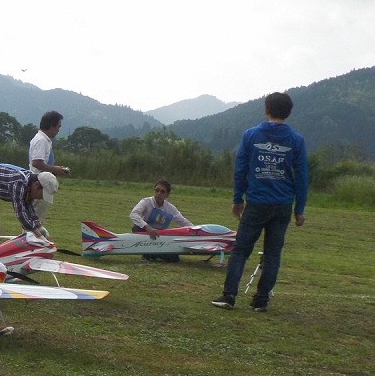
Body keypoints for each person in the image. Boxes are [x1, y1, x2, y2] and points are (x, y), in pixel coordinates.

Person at [212, 91, 309, 313]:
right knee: (272, 254)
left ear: (266, 109)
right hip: (283, 205)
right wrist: (299, 208)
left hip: (256, 202)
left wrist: (237, 199)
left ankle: (229, 296)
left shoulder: (251, 135)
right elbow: (302, 176)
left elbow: (240, 169)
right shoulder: (296, 140)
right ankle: (261, 300)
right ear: (289, 112)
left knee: (240, 251)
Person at [129, 179, 192, 262]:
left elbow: (182, 221)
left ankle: (151, 253)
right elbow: (134, 214)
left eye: (162, 192)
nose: (158, 193)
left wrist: (196, 230)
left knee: (174, 259)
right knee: (137, 227)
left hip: (158, 235)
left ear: (167, 195)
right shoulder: (146, 202)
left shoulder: (170, 208)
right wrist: (147, 227)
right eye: (157, 190)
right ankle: (147, 253)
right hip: (143, 231)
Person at [28, 111, 70, 224]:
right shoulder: (41, 140)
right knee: (35, 221)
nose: (58, 130)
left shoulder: (43, 139)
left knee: (36, 219)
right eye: (58, 127)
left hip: (40, 182)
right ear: (51, 125)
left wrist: (55, 168)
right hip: (39, 184)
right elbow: (37, 162)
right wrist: (55, 169)